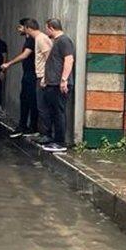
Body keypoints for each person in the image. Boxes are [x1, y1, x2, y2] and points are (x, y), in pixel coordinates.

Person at [1, 18, 41, 138]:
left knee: (30, 100)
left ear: (27, 28)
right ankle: (25, 126)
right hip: (28, 73)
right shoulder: (29, 39)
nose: (19, 29)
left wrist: (8, 63)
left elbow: (25, 55)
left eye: (21, 27)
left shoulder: (31, 40)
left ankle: (29, 127)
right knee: (26, 99)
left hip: (31, 74)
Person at [39, 19, 75, 152]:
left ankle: (60, 142)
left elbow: (69, 60)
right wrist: (46, 78)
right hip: (52, 84)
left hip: (59, 85)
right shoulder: (57, 42)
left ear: (52, 28)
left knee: (59, 113)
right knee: (53, 112)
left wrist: (64, 80)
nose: (46, 31)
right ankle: (54, 139)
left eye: (47, 29)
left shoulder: (64, 41)